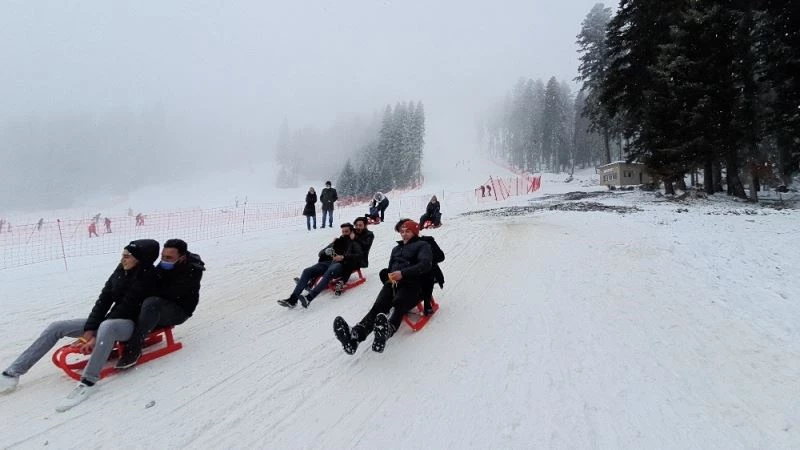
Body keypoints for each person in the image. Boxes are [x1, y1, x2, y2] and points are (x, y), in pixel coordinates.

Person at [0, 239, 159, 412]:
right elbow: (104, 300)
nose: (122, 259)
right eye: (122, 255)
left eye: (127, 256)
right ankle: (12, 373)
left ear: (140, 259)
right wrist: (90, 329)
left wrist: (95, 335)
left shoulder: (148, 277)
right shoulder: (121, 270)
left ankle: (89, 381)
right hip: (111, 320)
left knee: (107, 328)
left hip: (132, 325)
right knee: (56, 327)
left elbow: (126, 308)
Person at [332, 219, 432, 354]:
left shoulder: (423, 245)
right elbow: (391, 267)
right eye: (402, 231)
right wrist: (390, 275)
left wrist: (403, 273)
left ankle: (387, 330)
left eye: (408, 231)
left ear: (415, 232)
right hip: (393, 283)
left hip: (412, 284)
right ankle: (355, 336)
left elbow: (425, 264)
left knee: (398, 304)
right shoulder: (396, 249)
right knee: (378, 306)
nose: (404, 234)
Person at [116, 239, 205, 369]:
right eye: (163, 256)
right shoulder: (165, 264)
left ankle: (133, 349)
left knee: (151, 303)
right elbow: (154, 279)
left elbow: (172, 293)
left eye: (169, 258)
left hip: (180, 310)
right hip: (161, 304)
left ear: (182, 257)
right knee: (139, 298)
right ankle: (120, 334)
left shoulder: (192, 270)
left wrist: (149, 291)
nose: (164, 260)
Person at [278, 223, 362, 309]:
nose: (344, 233)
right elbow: (320, 253)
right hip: (327, 262)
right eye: (343, 231)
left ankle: (309, 298)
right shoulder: (338, 241)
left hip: (341, 265)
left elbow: (358, 255)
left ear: (351, 232)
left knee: (329, 272)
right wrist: (331, 244)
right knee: (307, 271)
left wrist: (343, 256)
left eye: (346, 231)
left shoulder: (355, 242)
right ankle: (292, 300)